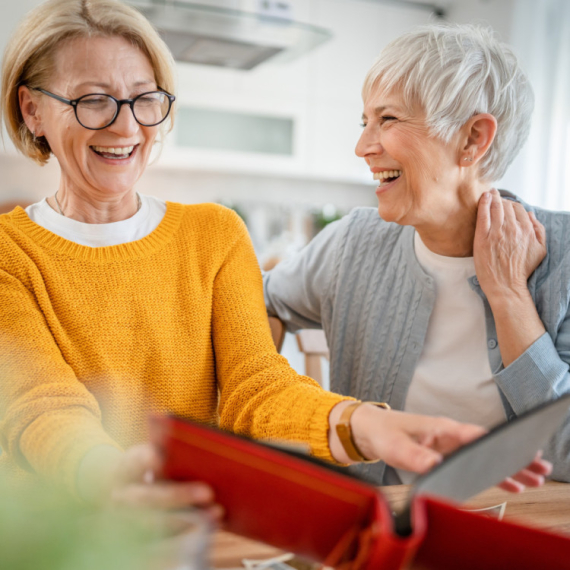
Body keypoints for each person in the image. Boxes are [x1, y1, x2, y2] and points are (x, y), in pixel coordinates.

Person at [3, 1, 546, 523]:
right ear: (33, 109)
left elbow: (255, 386)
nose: (125, 128)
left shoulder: (213, 234)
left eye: (144, 99)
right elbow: (42, 407)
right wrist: (112, 476)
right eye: (92, 100)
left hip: (194, 523)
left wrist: (365, 424)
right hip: (62, 534)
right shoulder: (11, 252)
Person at [264, 23, 570, 486]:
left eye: (387, 120)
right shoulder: (352, 243)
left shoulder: (564, 257)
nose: (363, 147)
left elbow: (564, 453)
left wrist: (509, 296)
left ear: (472, 139)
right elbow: (257, 301)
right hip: (381, 535)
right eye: (364, 121)